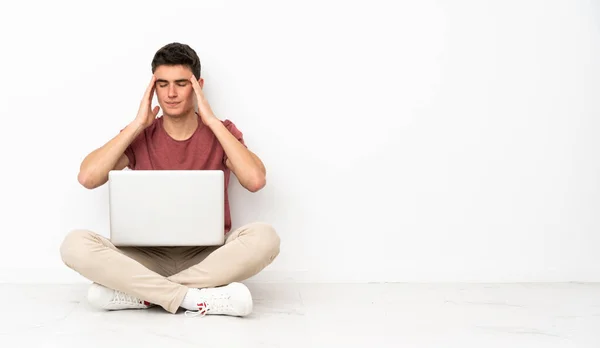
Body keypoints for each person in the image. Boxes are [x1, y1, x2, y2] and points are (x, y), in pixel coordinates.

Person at [59, 42, 281, 318]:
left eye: (181, 83)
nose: (171, 93)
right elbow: (88, 177)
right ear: (153, 88)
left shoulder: (221, 132)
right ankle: (193, 298)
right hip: (145, 257)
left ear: (198, 85)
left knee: (265, 238)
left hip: (206, 256)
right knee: (74, 244)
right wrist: (137, 124)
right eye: (162, 84)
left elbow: (255, 180)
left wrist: (211, 120)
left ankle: (144, 294)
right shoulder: (140, 134)